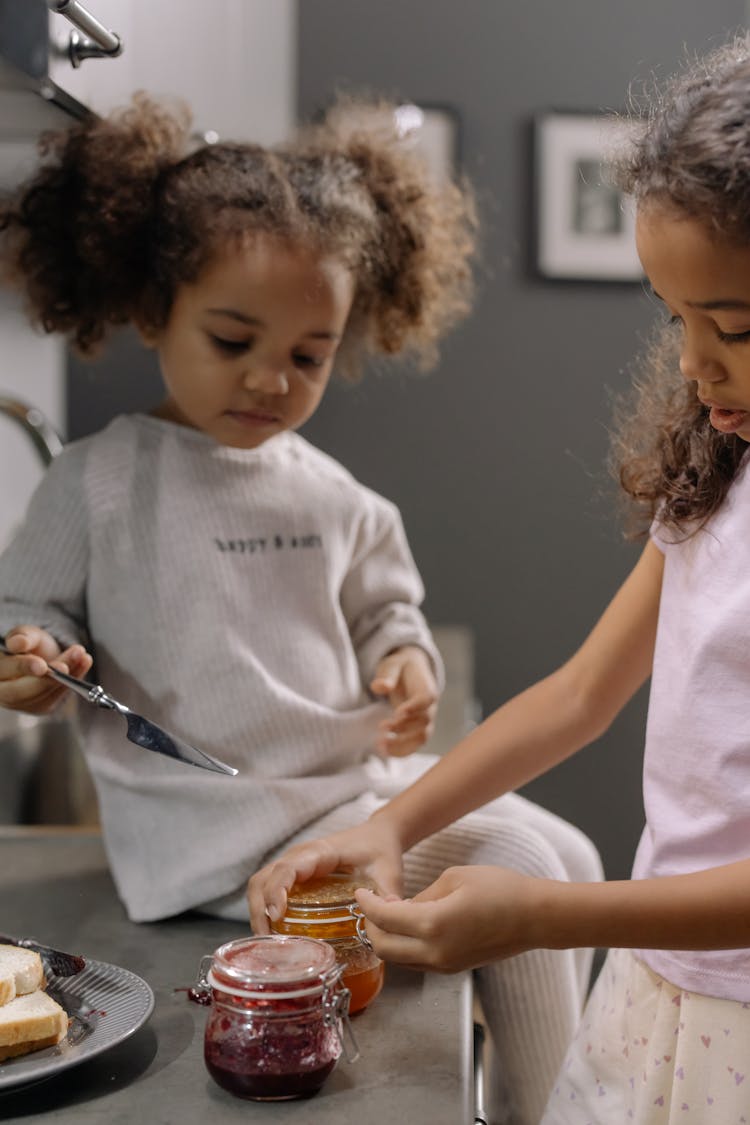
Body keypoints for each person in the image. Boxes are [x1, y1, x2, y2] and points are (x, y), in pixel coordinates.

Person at [0, 94, 602, 1123]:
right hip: (219, 837)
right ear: (153, 311)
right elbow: (26, 617)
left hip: (346, 797)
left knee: (579, 858)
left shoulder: (332, 494)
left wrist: (406, 665)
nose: (271, 379)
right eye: (233, 340)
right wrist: (34, 658)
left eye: (309, 356)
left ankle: (527, 1101)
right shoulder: (98, 485)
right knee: (523, 861)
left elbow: (388, 615)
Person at [249, 34, 750, 1124]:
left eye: (737, 327)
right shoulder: (720, 484)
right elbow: (581, 695)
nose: (696, 364)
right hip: (661, 993)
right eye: (677, 319)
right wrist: (395, 823)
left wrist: (542, 915)